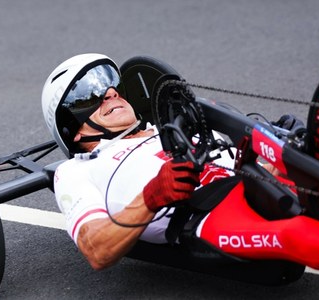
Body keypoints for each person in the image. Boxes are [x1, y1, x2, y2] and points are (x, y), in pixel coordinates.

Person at [41, 53, 234, 270]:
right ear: (70, 128)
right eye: (90, 96)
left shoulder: (175, 128)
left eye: (113, 85)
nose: (111, 93)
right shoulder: (75, 171)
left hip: (250, 188)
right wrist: (151, 196)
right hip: (209, 217)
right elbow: (96, 249)